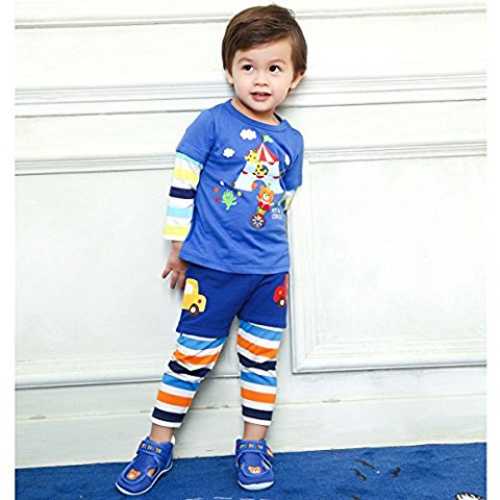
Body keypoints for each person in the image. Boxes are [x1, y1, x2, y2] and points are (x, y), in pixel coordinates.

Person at [115, 4, 307, 496]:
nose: (260, 79)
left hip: (269, 273)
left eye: (274, 68)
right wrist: (179, 246)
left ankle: (254, 445)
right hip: (213, 271)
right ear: (229, 70)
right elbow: (182, 185)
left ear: (295, 78)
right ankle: (157, 444)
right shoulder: (211, 124)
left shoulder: (292, 140)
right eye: (248, 66)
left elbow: (283, 200)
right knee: (189, 360)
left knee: (260, 364)